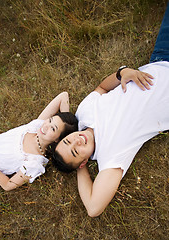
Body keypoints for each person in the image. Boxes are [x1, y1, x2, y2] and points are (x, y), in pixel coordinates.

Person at [52, 3, 169, 217]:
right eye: (76, 152)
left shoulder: (83, 114)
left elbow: (102, 88)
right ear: (84, 162)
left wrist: (122, 73)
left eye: (68, 141)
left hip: (161, 58)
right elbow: (93, 208)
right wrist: (81, 170)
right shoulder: (110, 157)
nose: (77, 141)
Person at [0, 92, 78, 191]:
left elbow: (8, 185)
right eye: (50, 120)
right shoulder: (36, 127)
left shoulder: (34, 163)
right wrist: (66, 122)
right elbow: (63, 96)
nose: (46, 127)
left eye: (53, 129)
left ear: (57, 139)